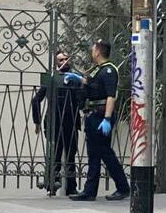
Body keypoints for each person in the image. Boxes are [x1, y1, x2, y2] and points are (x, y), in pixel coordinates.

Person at [68, 39, 130, 201]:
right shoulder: (98, 70)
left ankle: (122, 187)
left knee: (104, 152)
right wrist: (77, 79)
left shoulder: (109, 70)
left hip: (101, 115)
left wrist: (107, 118)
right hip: (93, 115)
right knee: (95, 153)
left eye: (93, 49)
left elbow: (111, 96)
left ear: (98, 51)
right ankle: (90, 191)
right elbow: (92, 85)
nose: (91, 51)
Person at [32, 50, 82, 196]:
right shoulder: (52, 79)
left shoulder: (74, 78)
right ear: (56, 63)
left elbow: (81, 98)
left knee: (71, 154)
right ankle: (52, 185)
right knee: (55, 154)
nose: (65, 61)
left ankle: (71, 187)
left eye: (66, 59)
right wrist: (37, 122)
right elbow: (36, 100)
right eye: (61, 60)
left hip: (71, 121)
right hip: (54, 122)